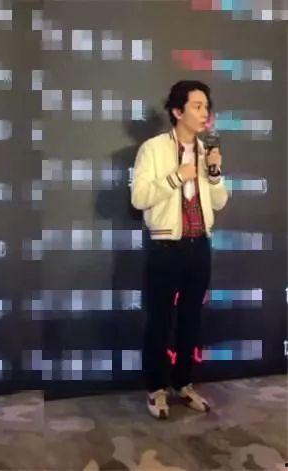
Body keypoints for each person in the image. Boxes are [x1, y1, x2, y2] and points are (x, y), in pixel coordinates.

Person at [131, 80, 228, 419]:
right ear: (177, 111)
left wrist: (213, 173)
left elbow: (219, 201)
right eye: (197, 106)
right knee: (159, 320)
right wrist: (176, 177)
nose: (205, 113)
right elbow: (139, 197)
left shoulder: (206, 151)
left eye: (207, 107)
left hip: (199, 245)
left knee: (191, 319)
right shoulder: (153, 149)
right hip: (165, 246)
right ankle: (156, 388)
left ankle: (184, 383)